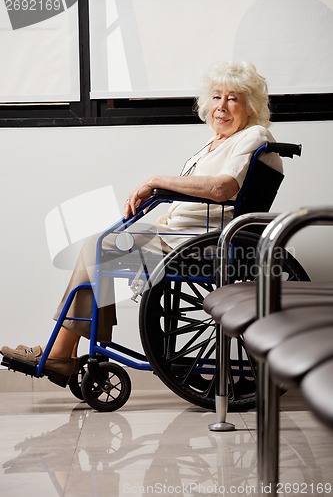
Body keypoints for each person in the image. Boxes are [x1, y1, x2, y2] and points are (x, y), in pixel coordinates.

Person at [0, 61, 283, 385]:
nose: (221, 106)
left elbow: (223, 188)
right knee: (98, 244)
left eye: (233, 99)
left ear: (250, 105)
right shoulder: (214, 143)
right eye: (217, 97)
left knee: (98, 247)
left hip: (197, 241)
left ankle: (63, 352)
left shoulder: (253, 135)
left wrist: (154, 181)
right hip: (178, 235)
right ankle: (69, 350)